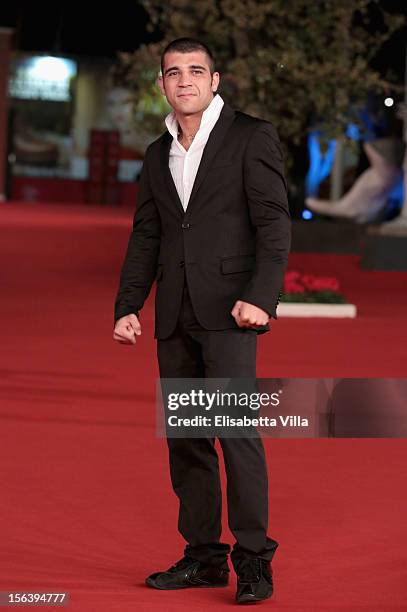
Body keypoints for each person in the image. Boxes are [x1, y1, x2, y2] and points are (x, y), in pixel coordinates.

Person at [113, 37, 291, 605]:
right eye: (173, 72)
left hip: (231, 312)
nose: (184, 80)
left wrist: (263, 296)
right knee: (186, 440)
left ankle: (254, 560)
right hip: (175, 316)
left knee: (236, 434)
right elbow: (148, 234)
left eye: (196, 70)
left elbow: (274, 223)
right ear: (161, 84)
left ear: (216, 80)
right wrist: (128, 304)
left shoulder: (249, 135)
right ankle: (204, 557)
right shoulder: (155, 152)